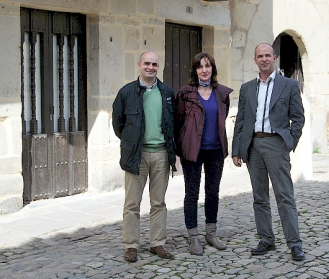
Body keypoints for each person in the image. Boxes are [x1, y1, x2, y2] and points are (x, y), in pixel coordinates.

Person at [232, 43, 305, 261]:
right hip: (253, 146)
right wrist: (237, 149)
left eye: (267, 56)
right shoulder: (247, 88)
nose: (264, 59)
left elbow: (298, 118)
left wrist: (289, 142)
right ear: (255, 60)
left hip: (276, 144)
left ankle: (294, 244)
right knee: (259, 197)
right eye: (259, 56)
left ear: (274, 58)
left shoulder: (289, 85)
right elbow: (242, 120)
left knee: (284, 196)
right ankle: (266, 239)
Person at [112, 52, 176, 262]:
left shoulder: (166, 92)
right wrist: (132, 143)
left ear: (159, 67)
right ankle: (130, 245)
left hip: (161, 154)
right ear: (139, 65)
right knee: (132, 203)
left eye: (154, 64)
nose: (150, 67)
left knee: (159, 202)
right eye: (147, 63)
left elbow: (174, 122)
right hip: (136, 155)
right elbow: (118, 124)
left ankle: (157, 243)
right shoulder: (127, 92)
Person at [175, 52, 233, 256]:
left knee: (213, 192)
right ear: (195, 70)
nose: (204, 70)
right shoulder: (185, 93)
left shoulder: (222, 94)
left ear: (213, 69)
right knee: (191, 194)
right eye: (200, 66)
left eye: (207, 66)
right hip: (193, 151)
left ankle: (211, 233)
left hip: (215, 150)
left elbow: (222, 119)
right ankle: (193, 238)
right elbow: (178, 121)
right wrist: (179, 148)